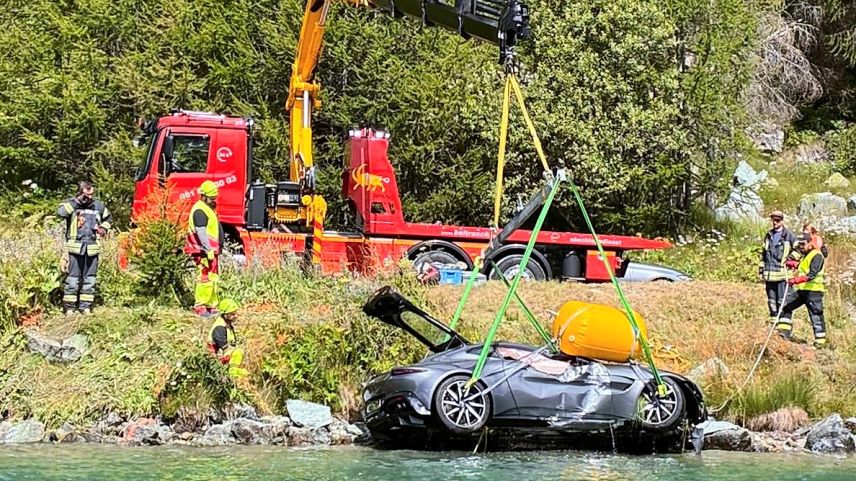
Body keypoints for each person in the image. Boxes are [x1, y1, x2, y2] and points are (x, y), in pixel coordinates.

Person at [56, 181, 112, 316]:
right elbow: (60, 213)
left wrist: (103, 228)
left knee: (90, 279)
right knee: (72, 279)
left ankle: (85, 306)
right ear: (80, 193)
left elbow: (109, 219)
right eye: (87, 195)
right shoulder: (70, 204)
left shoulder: (98, 205)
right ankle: (69, 308)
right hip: (75, 248)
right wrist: (77, 202)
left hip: (92, 249)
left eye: (92, 194)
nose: (90, 198)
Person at [776, 233, 827, 348]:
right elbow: (804, 267)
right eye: (800, 244)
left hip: (814, 291)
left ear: (810, 243)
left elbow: (812, 274)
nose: (801, 246)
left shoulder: (817, 255)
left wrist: (796, 280)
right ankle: (784, 333)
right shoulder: (807, 255)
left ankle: (820, 343)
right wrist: (795, 264)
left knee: (815, 315)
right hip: (802, 290)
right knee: (786, 305)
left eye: (803, 244)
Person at [186, 180, 224, 316]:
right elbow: (201, 232)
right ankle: (200, 307)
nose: (214, 200)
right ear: (203, 196)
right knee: (204, 278)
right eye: (212, 197)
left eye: (215, 197)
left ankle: (211, 305)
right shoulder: (200, 210)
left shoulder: (208, 208)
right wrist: (207, 249)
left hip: (211, 251)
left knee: (213, 278)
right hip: (203, 252)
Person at [760, 210, 797, 323]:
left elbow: (799, 249)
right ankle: (773, 324)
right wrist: (761, 269)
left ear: (782, 221)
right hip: (769, 275)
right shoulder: (768, 235)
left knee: (783, 302)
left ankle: (784, 326)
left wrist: (791, 258)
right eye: (773, 220)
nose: (775, 222)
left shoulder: (789, 236)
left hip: (783, 276)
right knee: (772, 302)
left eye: (777, 220)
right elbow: (763, 254)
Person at [207, 299, 247, 377]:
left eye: (236, 313)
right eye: (233, 314)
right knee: (238, 352)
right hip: (216, 358)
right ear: (225, 314)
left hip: (223, 356)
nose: (236, 316)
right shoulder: (219, 328)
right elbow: (225, 349)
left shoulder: (227, 325)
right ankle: (233, 373)